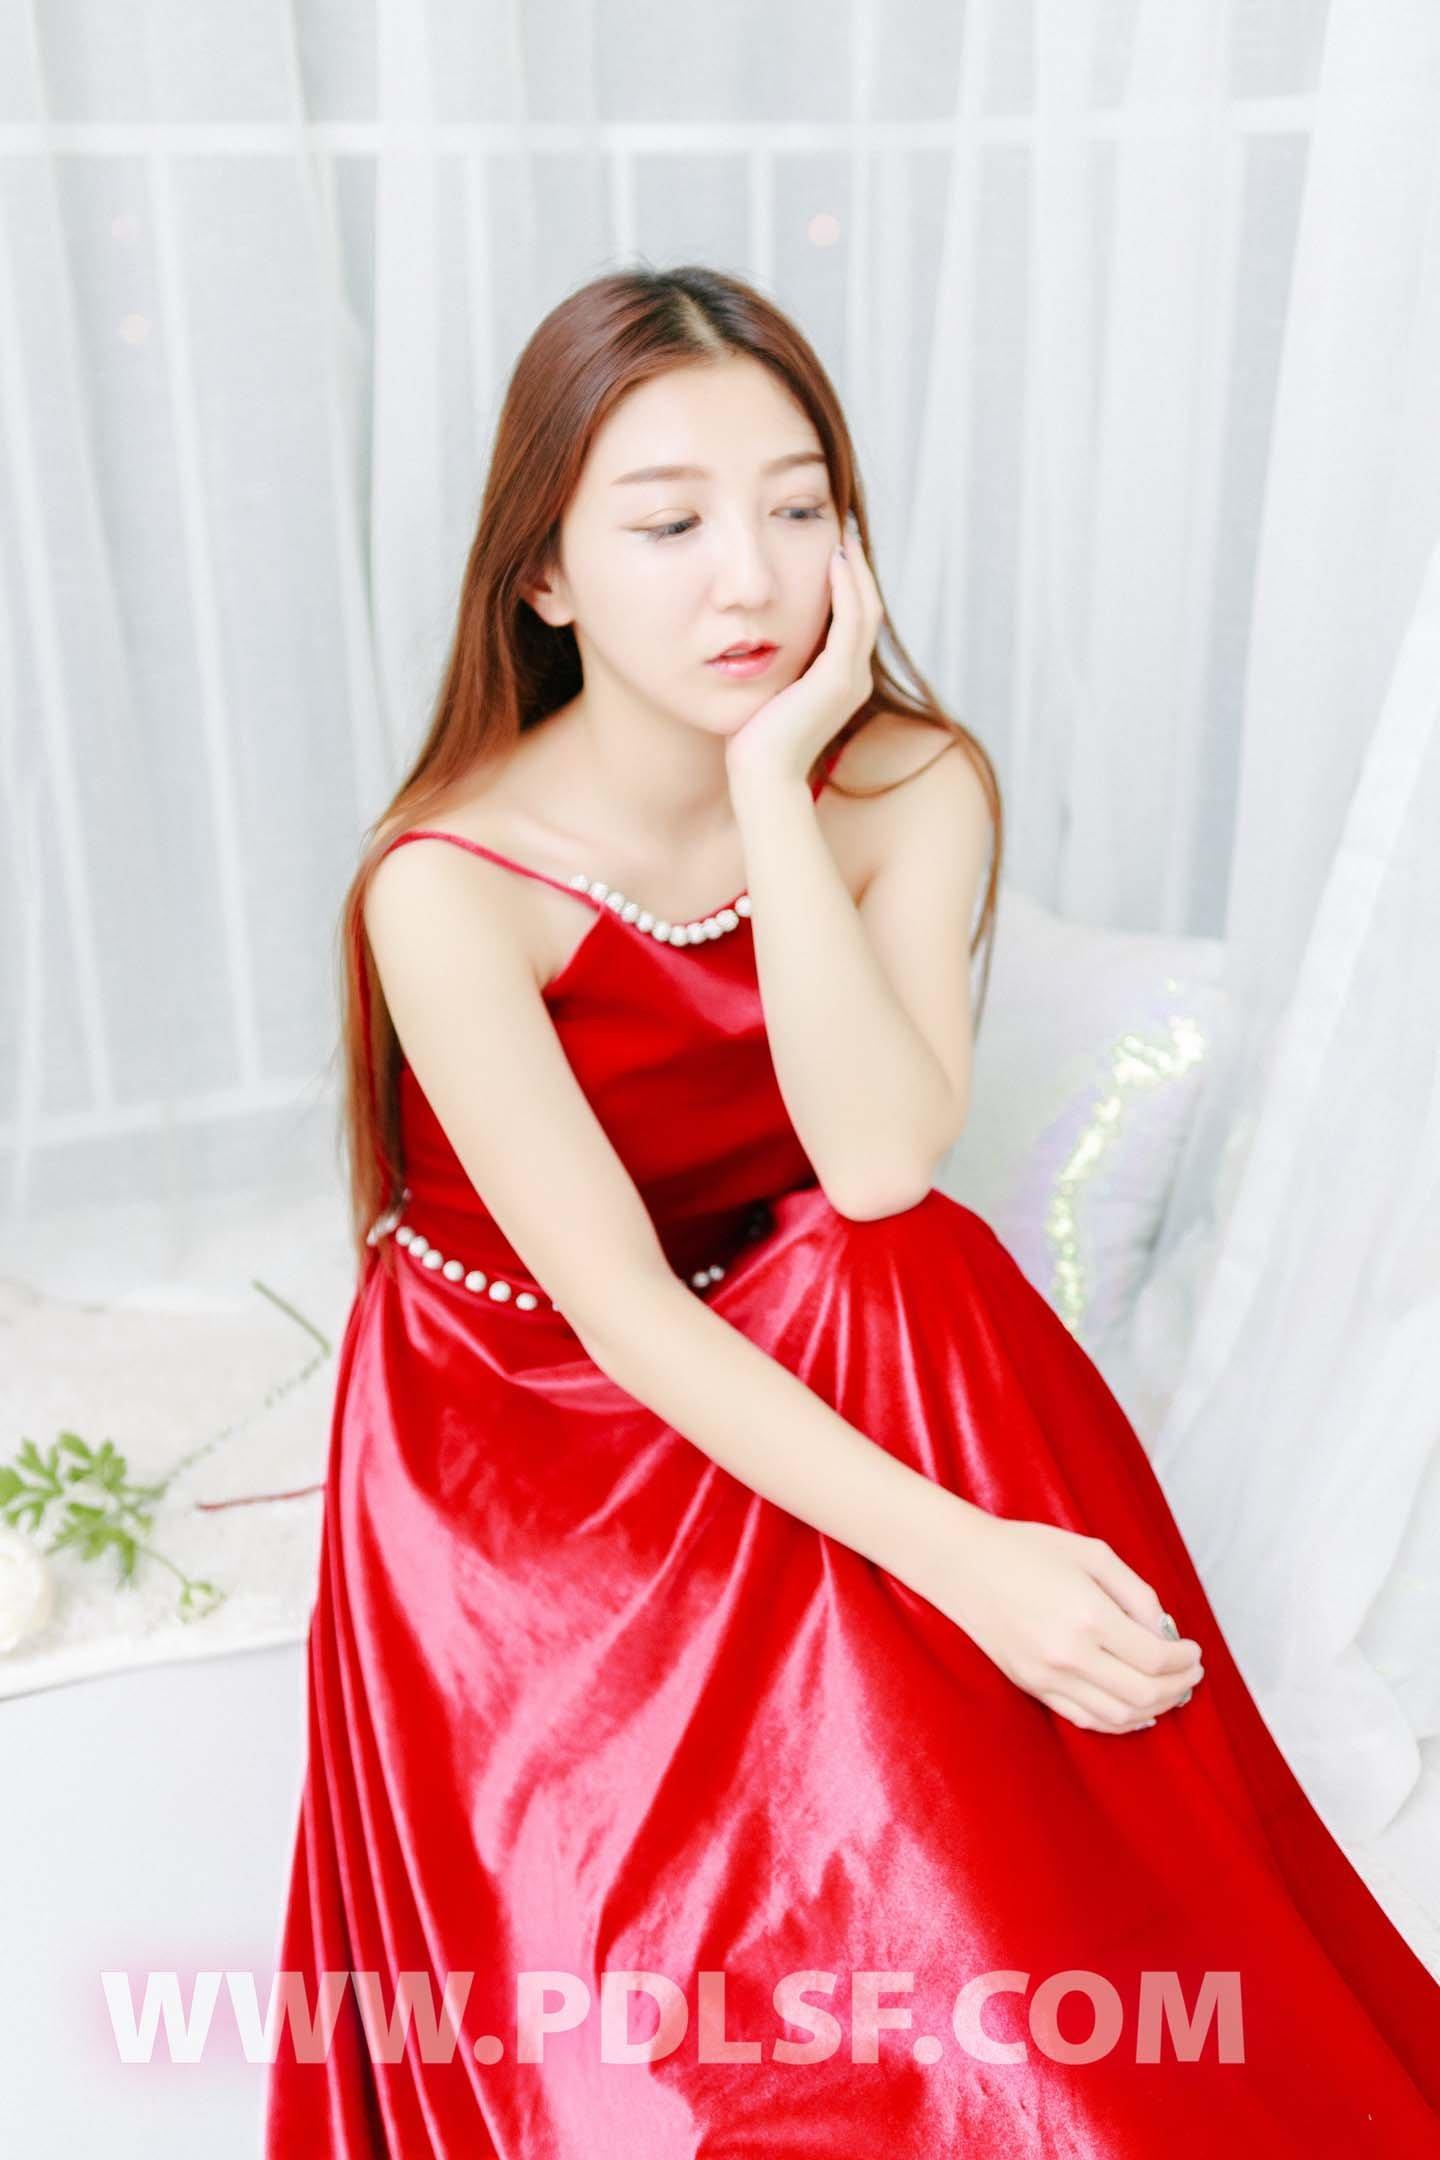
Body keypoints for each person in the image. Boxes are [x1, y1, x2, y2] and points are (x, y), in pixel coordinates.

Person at [264, 265, 1440, 2156]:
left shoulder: (909, 785)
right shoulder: (450, 881)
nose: (751, 577)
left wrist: (772, 791)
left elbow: (880, 1159)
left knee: (900, 1253)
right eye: (669, 525)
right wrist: (969, 1560)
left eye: (798, 507)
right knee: (655, 2046)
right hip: (529, 1406)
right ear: (546, 578)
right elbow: (625, 1314)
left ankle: (1080, 1948)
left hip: (796, 1313)